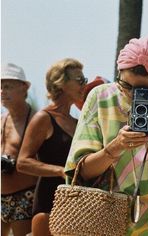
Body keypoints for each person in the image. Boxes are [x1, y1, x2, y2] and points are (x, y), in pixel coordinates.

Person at [65, 37, 148, 235]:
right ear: (119, 71)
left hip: (146, 227)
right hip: (96, 221)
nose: (133, 95)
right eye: (126, 85)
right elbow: (81, 172)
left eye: (144, 91)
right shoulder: (100, 97)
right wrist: (115, 147)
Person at [17, 58, 106, 236]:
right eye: (80, 80)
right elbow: (23, 162)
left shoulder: (78, 122)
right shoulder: (44, 118)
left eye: (85, 80)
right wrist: (61, 171)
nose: (85, 85)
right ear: (61, 84)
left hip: (75, 205)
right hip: (48, 202)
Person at [1, 63, 37, 236]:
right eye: (0, 87)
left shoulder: (36, 120)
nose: (2, 91)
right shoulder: (2, 120)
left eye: (7, 86)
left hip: (24, 195)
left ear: (24, 88)